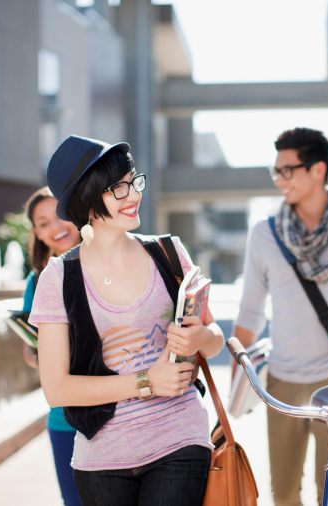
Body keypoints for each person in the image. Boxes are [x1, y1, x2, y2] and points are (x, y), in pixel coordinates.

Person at [29, 135, 224, 506]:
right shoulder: (58, 277)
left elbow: (214, 339)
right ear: (87, 199)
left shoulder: (168, 252)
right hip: (100, 454)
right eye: (117, 189)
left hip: (179, 437)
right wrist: (147, 381)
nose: (133, 195)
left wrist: (201, 339)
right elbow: (56, 389)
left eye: (133, 181)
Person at [233, 127, 328, 506]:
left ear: (317, 169)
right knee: (283, 496)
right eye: (277, 171)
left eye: (288, 170)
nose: (280, 180)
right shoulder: (265, 233)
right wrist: (234, 385)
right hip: (282, 382)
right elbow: (250, 310)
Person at [22, 186, 83, 506]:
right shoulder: (36, 282)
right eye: (43, 223)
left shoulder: (110, 266)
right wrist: (39, 355)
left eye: (60, 215)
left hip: (120, 411)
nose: (56, 227)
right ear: (36, 233)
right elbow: (30, 351)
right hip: (64, 419)